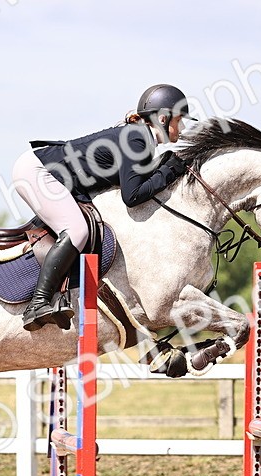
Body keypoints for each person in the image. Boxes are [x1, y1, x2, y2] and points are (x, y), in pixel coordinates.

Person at [12, 84, 193, 331]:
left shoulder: (138, 137)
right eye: (179, 120)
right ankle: (39, 302)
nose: (181, 129)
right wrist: (169, 171)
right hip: (38, 171)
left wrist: (163, 169)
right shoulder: (138, 139)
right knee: (76, 231)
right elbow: (133, 195)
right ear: (163, 118)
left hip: (47, 171)